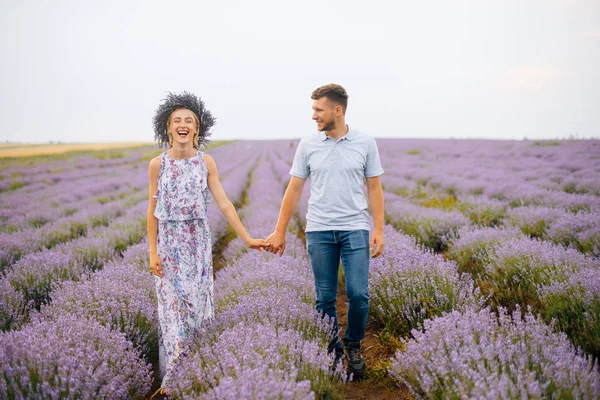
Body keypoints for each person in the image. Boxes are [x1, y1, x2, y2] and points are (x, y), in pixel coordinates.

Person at [147, 92, 268, 393]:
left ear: (197, 129)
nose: (183, 125)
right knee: (172, 309)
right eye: (177, 121)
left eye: (189, 121)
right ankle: (174, 379)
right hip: (169, 245)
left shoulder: (206, 162)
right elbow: (152, 211)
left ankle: (195, 370)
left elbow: (225, 203)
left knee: (197, 308)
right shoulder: (157, 165)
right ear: (168, 128)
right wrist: (152, 251)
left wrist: (247, 238)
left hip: (198, 244)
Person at [266, 84, 385, 378]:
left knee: (358, 295)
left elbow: (374, 187)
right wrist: (279, 231)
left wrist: (378, 229)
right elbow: (293, 189)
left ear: (337, 110)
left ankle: (353, 344)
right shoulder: (308, 145)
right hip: (319, 230)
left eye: (318, 110)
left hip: (355, 228)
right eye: (313, 110)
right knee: (325, 298)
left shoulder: (365, 142)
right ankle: (332, 349)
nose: (314, 116)